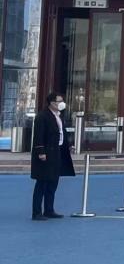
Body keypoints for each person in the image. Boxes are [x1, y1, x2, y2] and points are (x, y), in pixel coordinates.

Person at [30, 92, 75, 220]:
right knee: (42, 182)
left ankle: (49, 209)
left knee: (53, 181)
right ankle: (36, 212)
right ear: (51, 103)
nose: (62, 103)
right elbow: (38, 136)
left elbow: (61, 133)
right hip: (46, 152)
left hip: (57, 151)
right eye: (59, 101)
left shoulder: (59, 116)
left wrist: (68, 145)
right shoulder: (42, 116)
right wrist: (41, 152)